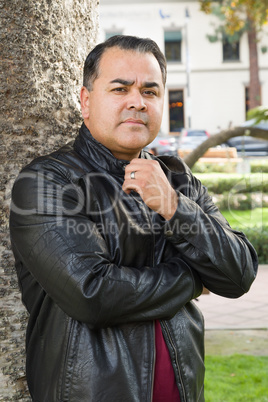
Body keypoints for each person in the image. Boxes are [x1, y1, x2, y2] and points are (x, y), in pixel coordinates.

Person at [10, 35, 258, 402]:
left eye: (150, 91)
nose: (137, 102)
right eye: (120, 88)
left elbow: (239, 273)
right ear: (86, 101)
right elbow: (92, 294)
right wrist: (193, 279)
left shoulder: (177, 180)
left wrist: (175, 207)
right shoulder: (47, 181)